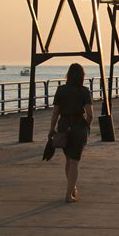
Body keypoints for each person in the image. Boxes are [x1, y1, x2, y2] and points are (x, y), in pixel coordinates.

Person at [48, 63, 93, 203]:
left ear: (68, 75)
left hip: (63, 125)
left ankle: (72, 189)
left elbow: (55, 112)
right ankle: (69, 194)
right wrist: (86, 126)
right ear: (82, 76)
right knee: (74, 161)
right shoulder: (84, 91)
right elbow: (90, 114)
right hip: (79, 126)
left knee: (68, 159)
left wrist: (51, 129)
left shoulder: (61, 90)